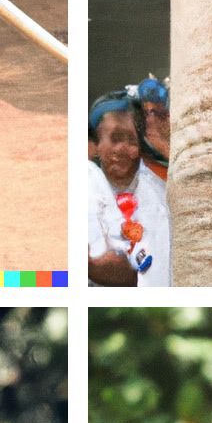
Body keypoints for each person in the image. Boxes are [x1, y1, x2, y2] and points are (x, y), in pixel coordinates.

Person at [88, 93, 171, 287]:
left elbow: (135, 275)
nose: (124, 149)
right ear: (96, 145)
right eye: (115, 139)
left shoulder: (161, 191)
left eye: (132, 141)